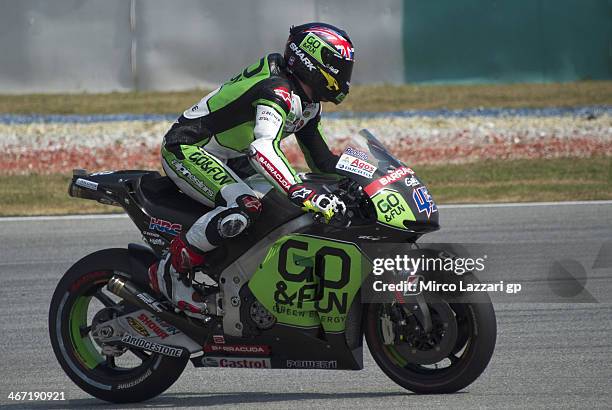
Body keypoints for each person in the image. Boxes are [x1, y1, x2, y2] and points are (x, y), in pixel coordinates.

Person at [149, 22, 355, 318]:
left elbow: (321, 160)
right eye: (337, 66)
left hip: (232, 157)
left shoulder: (307, 101)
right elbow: (263, 148)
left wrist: (363, 180)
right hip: (189, 149)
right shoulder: (277, 90)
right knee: (244, 207)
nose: (343, 76)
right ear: (314, 60)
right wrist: (299, 190)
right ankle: (170, 271)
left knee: (285, 207)